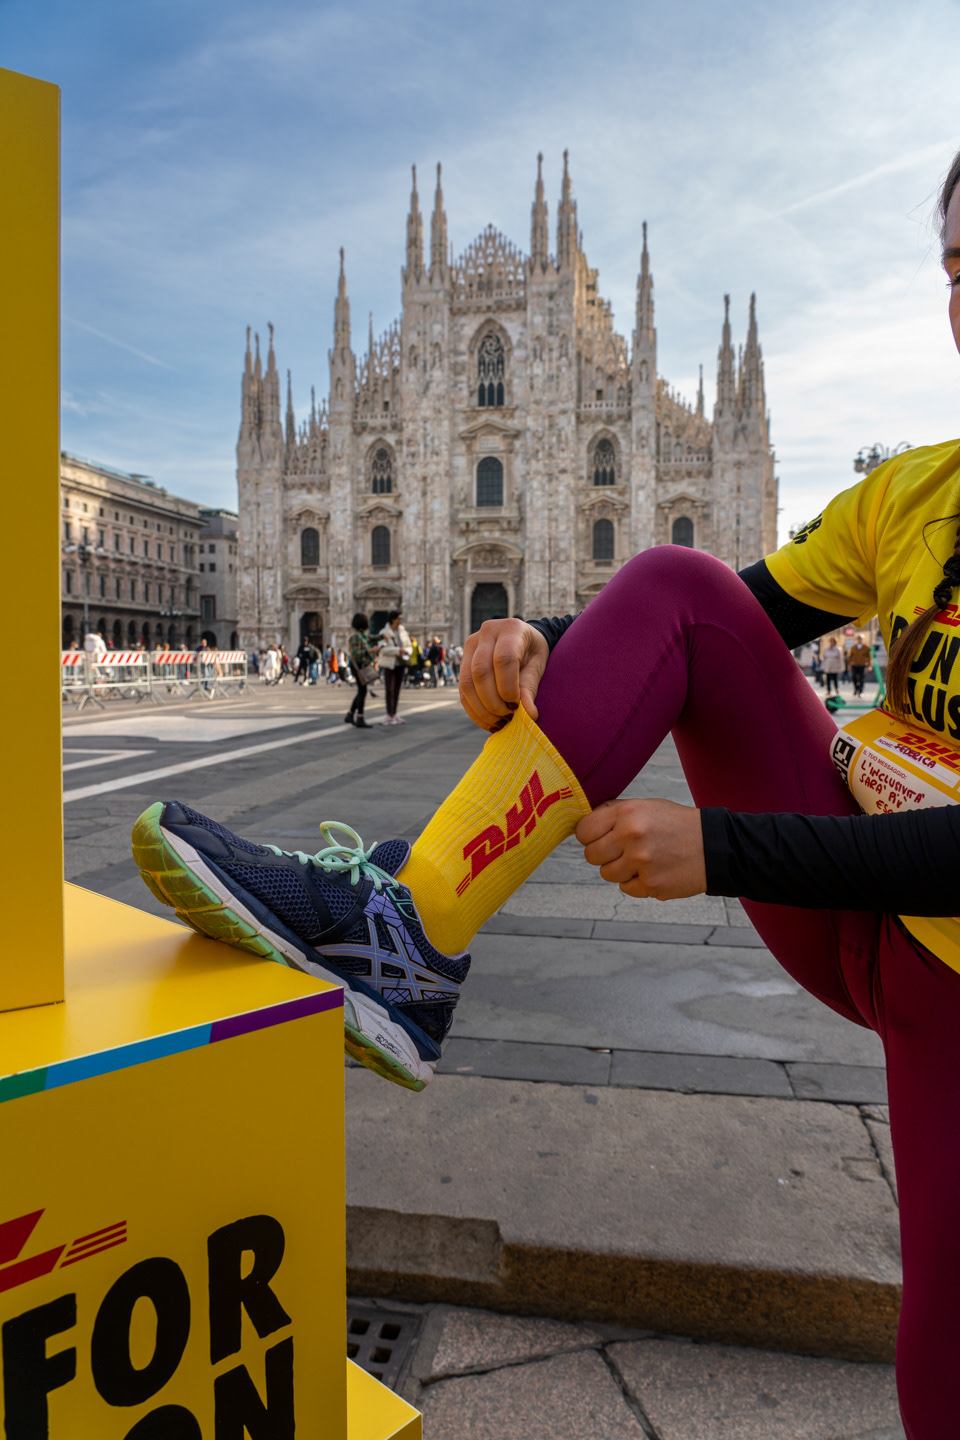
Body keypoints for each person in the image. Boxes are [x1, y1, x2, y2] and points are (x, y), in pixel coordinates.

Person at [134, 154, 960, 1435]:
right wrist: (546, 643)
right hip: (875, 921)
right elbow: (714, 619)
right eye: (958, 265)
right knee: (677, 580)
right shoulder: (915, 496)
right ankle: (407, 929)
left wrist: (724, 849)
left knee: (945, 1369)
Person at [377, 610, 411, 723]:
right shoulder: (384, 632)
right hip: (389, 665)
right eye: (399, 618)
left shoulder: (403, 632)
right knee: (389, 690)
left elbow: (409, 646)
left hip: (400, 664)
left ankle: (394, 714)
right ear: (393, 619)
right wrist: (398, 651)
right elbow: (383, 649)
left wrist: (406, 651)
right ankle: (389, 714)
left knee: (397, 690)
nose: (401, 620)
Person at [345, 614, 375, 729]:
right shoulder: (356, 636)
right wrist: (370, 651)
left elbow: (372, 637)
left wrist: (384, 636)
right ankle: (360, 718)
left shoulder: (362, 635)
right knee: (362, 691)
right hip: (358, 666)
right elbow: (356, 653)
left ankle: (350, 714)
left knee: (362, 691)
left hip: (361, 665)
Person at [847, 632, 872, 697]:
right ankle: (856, 689)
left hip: (862, 665)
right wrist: (849, 665)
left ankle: (860, 691)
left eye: (860, 638)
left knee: (861, 678)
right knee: (854, 677)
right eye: (858, 638)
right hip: (854, 665)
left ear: (862, 639)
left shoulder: (866, 647)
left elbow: (869, 657)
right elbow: (850, 656)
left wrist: (869, 665)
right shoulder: (853, 647)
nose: (859, 640)